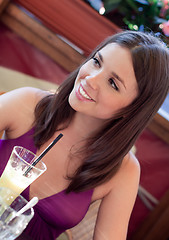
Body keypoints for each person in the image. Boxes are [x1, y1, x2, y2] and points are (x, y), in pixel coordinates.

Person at [0, 30, 169, 240]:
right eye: (97, 62)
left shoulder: (123, 171)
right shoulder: (27, 104)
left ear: (132, 109)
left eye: (113, 83)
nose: (91, 79)